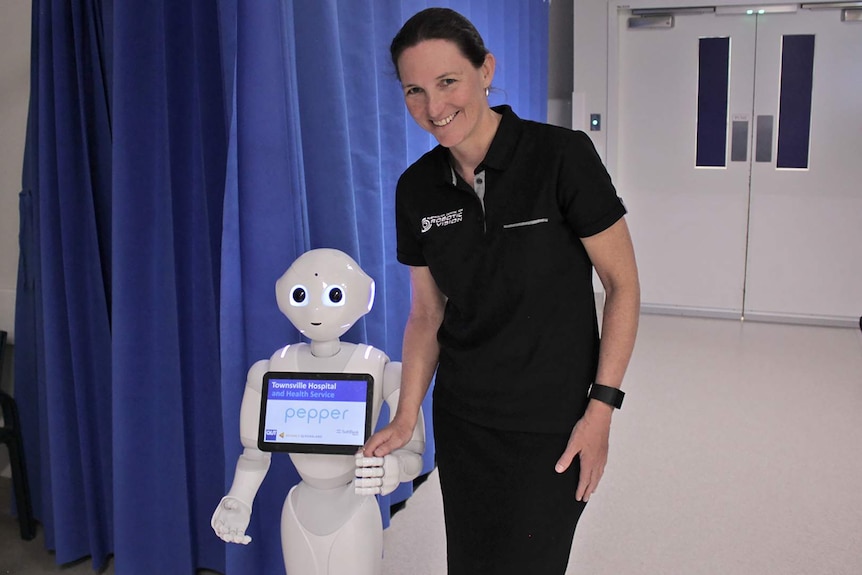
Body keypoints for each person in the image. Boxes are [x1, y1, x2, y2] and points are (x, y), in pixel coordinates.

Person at [363, 7, 640, 575]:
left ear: (485, 71)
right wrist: (407, 413)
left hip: (554, 421)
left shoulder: (561, 158)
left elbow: (622, 285)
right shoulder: (417, 189)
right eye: (415, 91)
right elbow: (427, 313)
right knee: (472, 561)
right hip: (467, 422)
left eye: (447, 82)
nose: (434, 108)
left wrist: (601, 411)